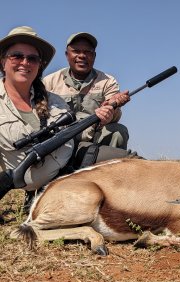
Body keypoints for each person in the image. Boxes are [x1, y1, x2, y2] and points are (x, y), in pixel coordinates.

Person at [0, 26, 122, 207]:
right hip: (29, 176)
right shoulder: (52, 81)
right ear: (3, 62)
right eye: (17, 56)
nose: (25, 63)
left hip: (67, 167)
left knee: (128, 161)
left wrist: (103, 116)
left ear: (39, 65)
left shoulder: (55, 100)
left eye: (32, 58)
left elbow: (71, 133)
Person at [43, 32, 136, 165]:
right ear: (66, 55)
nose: (82, 56)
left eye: (88, 52)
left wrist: (111, 110)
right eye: (76, 51)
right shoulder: (49, 81)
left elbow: (113, 115)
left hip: (94, 137)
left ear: (94, 56)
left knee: (118, 131)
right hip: (61, 139)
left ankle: (109, 179)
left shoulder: (108, 81)